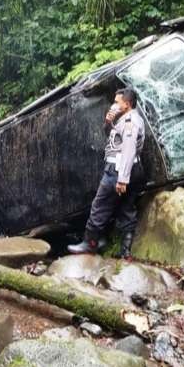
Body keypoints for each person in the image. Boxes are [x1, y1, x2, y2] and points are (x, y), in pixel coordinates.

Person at [68, 87, 145, 259]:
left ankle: (90, 243)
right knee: (126, 208)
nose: (114, 105)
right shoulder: (125, 119)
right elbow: (113, 139)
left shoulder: (130, 122)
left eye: (117, 102)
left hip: (118, 170)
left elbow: (128, 150)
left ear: (127, 104)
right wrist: (108, 123)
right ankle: (125, 251)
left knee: (99, 206)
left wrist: (122, 179)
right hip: (132, 169)